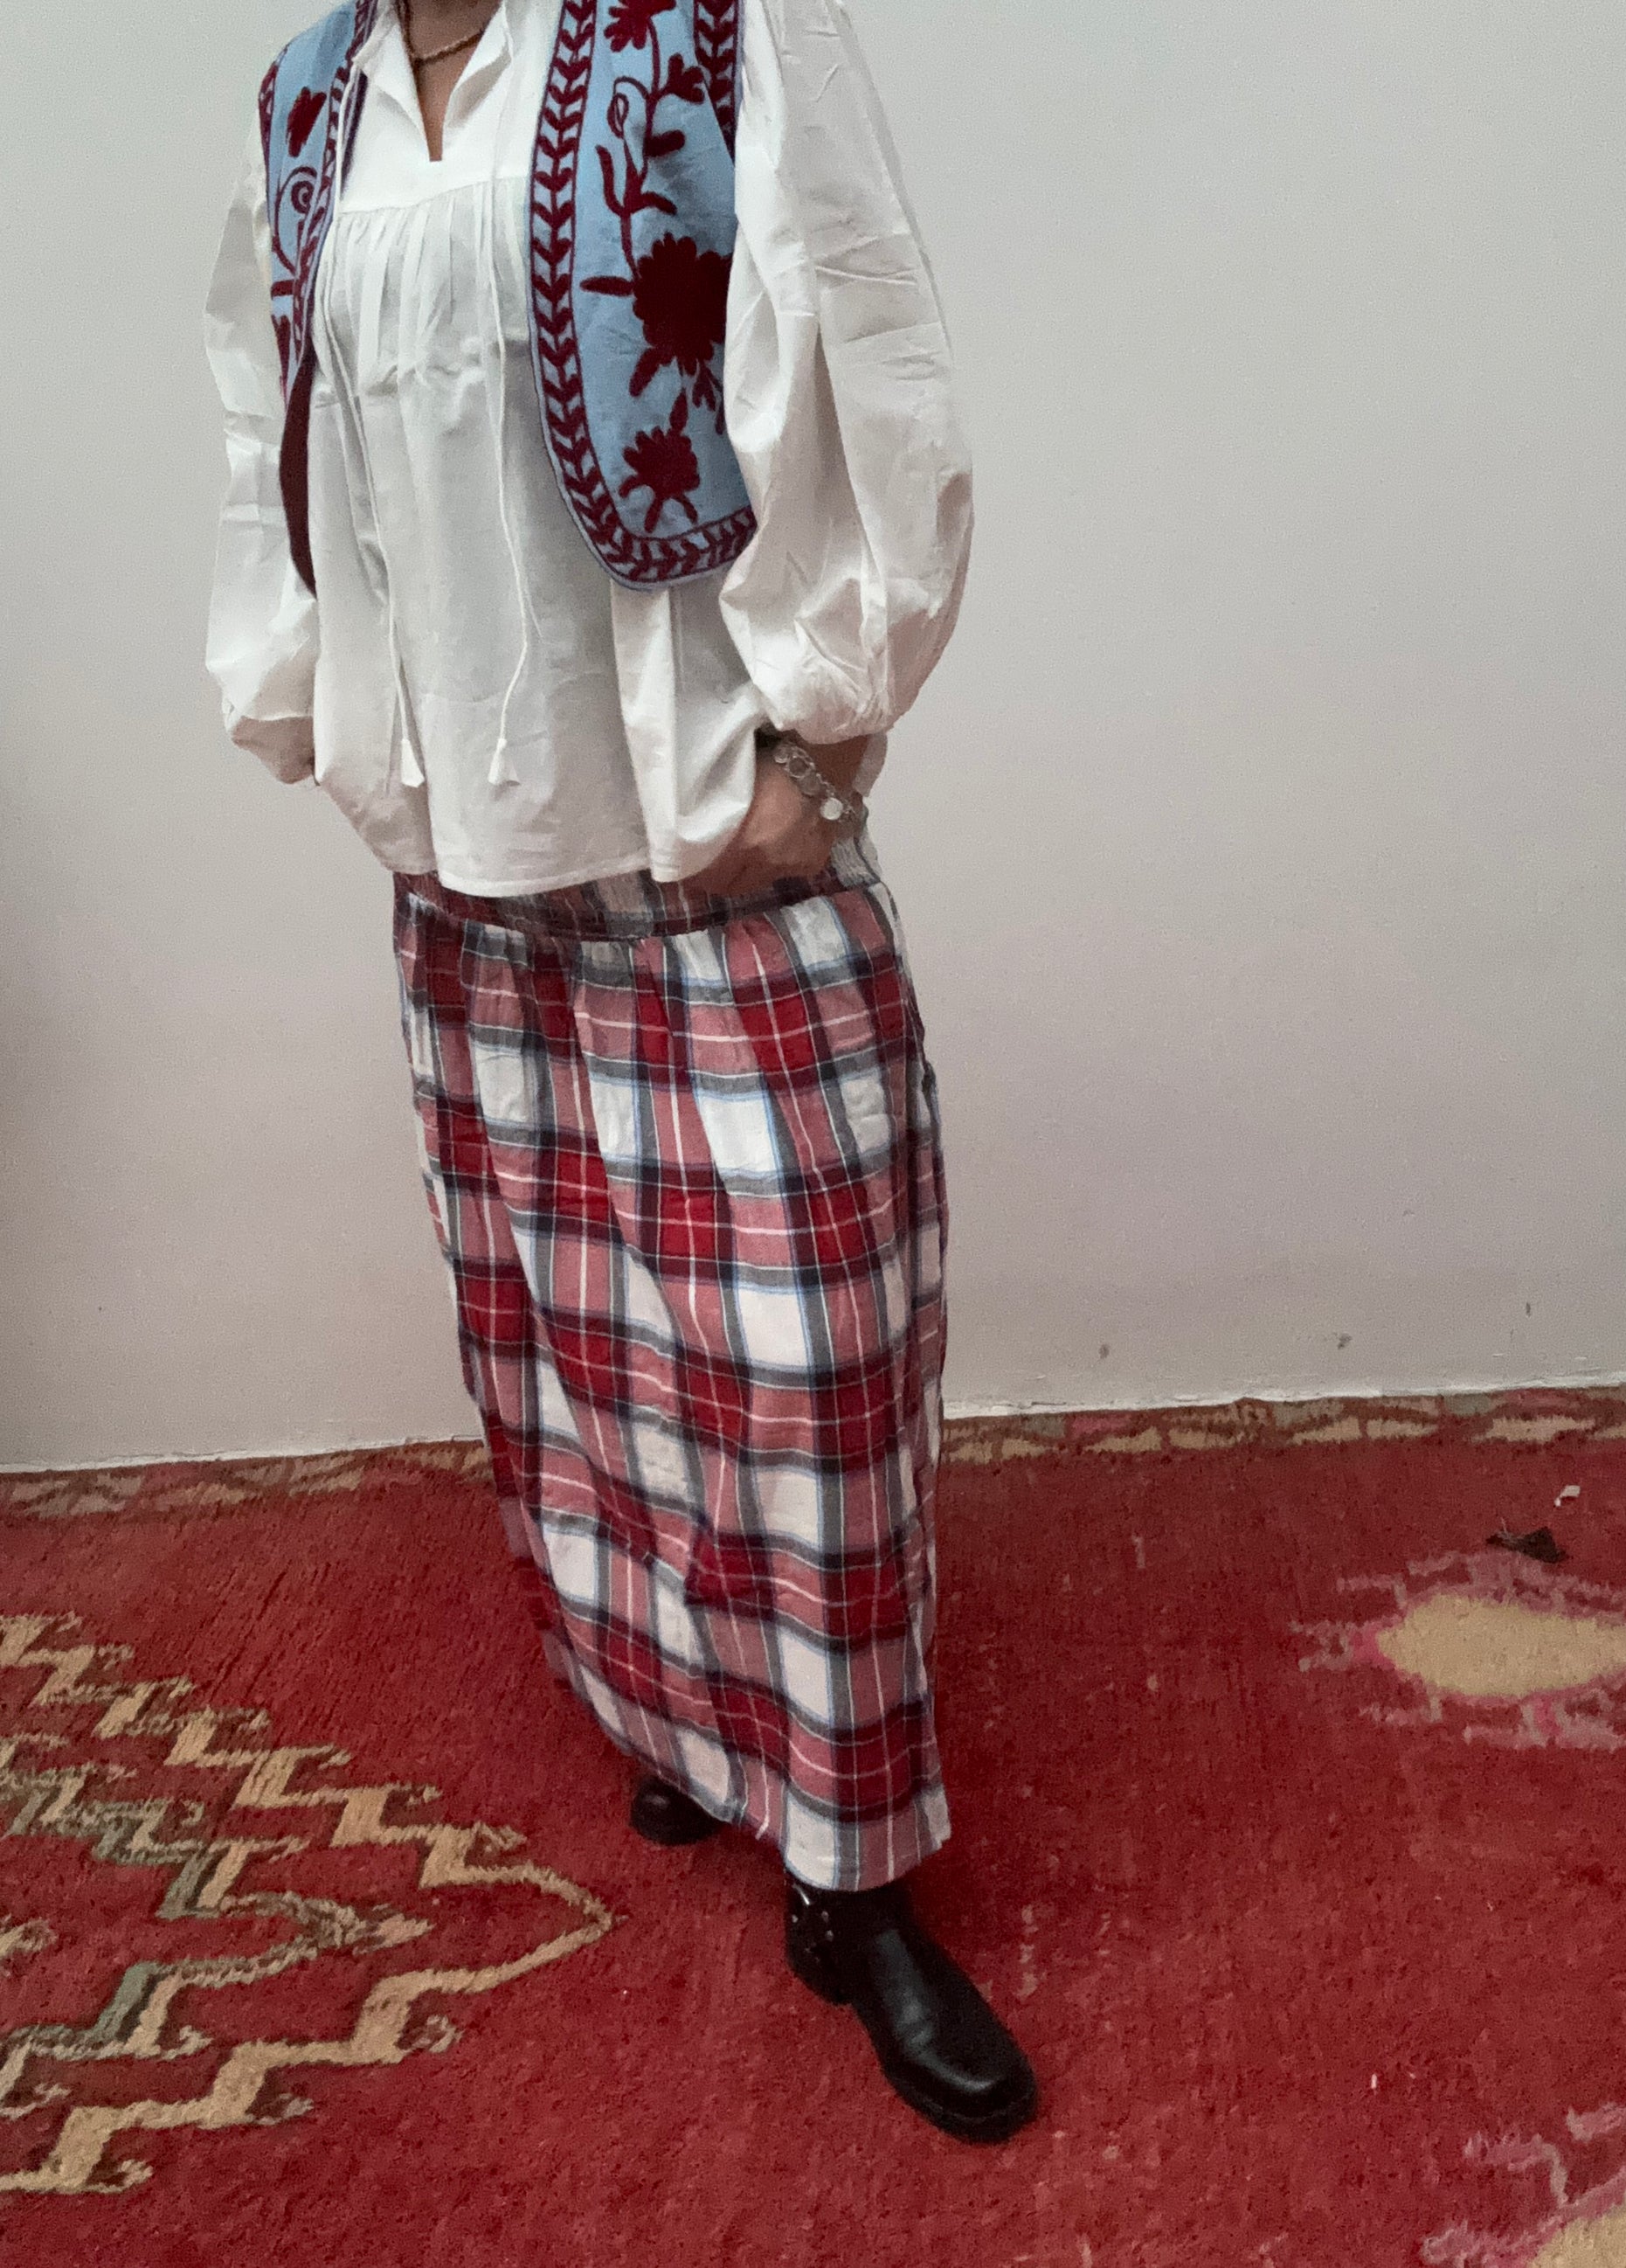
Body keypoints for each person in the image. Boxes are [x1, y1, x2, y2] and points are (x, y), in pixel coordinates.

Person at [204, 0, 1036, 2144]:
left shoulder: (704, 26)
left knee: (812, 1366)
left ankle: (854, 1873)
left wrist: (827, 740)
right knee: (578, 1349)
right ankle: (679, 1712)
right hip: (471, 867)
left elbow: (864, 336)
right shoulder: (311, 102)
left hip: (695, 828)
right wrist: (330, 718)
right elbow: (270, 422)